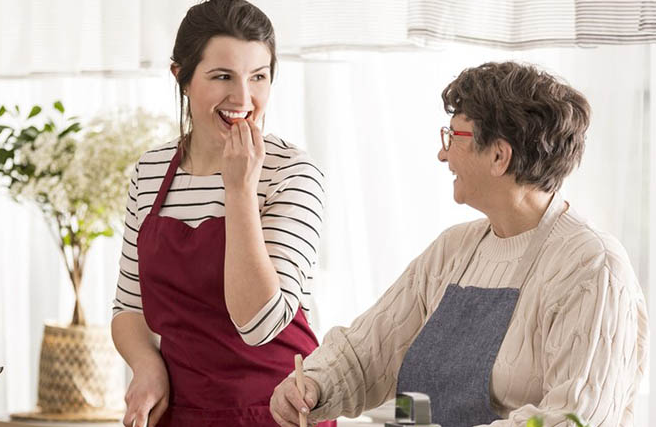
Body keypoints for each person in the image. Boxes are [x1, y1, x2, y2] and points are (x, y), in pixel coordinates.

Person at [270, 61, 649, 427]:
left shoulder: (592, 266)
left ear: (499, 156)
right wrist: (315, 384)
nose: (442, 153)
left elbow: (574, 419)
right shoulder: (454, 250)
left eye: (453, 136)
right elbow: (370, 349)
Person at [111, 0, 335, 427]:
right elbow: (128, 307)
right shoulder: (151, 171)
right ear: (182, 77)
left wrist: (239, 189)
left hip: (276, 415)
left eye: (259, 77)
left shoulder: (292, 174)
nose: (244, 97)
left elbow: (260, 323)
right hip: (181, 414)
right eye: (222, 76)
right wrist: (147, 366)